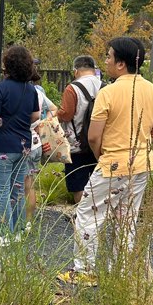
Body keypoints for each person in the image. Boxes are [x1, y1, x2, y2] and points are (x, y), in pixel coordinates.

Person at [72, 38, 153, 271]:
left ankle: (84, 269)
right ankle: (121, 271)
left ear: (121, 63)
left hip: (112, 162)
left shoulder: (108, 92)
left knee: (88, 212)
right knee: (127, 218)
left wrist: (100, 154)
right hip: (142, 162)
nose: (106, 61)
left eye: (109, 56)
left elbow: (93, 136)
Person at [0, 45, 40, 246]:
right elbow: (36, 116)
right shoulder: (30, 90)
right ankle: (18, 231)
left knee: (2, 190)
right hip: (23, 147)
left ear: (7, 65)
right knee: (17, 190)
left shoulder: (0, 88)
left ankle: (3, 233)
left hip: (3, 146)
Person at [56, 55, 102, 204]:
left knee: (79, 185)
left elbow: (66, 114)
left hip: (77, 145)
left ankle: (82, 219)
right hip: (100, 143)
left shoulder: (73, 88)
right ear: (94, 70)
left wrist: (55, 114)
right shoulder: (105, 86)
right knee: (98, 185)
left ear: (76, 71)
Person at [24, 64, 58, 223]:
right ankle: (29, 220)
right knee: (30, 184)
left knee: (22, 186)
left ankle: (23, 221)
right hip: (37, 143)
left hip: (25, 143)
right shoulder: (38, 92)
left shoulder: (24, 91)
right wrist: (43, 124)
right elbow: (54, 109)